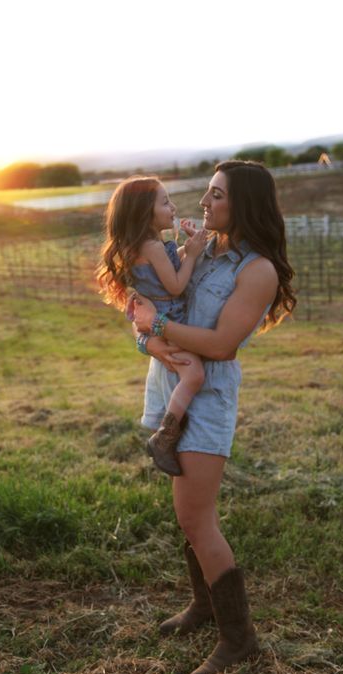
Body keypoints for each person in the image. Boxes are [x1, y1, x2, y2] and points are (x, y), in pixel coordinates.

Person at [132, 160, 296, 674]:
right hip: (173, 382)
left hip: (207, 398)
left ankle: (238, 638)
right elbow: (166, 288)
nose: (204, 202)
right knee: (188, 514)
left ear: (243, 203)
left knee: (197, 519)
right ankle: (203, 608)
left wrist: (157, 324)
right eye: (206, 193)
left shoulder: (258, 270)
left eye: (216, 195)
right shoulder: (208, 251)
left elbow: (223, 344)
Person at [96, 176, 208, 475]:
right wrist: (194, 254)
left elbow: (166, 270)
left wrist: (186, 247)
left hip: (157, 318)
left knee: (185, 372)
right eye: (165, 201)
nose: (172, 207)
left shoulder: (141, 245)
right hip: (169, 317)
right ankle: (165, 436)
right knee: (194, 374)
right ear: (144, 211)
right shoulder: (153, 246)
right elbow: (174, 286)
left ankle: (168, 427)